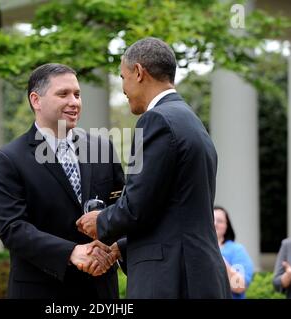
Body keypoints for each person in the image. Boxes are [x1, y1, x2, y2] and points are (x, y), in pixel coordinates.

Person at [76, 37, 231, 298]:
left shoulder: (156, 120)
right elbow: (172, 211)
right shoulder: (190, 120)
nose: (123, 89)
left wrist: (100, 221)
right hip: (197, 274)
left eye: (123, 77)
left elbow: (136, 206)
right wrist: (121, 247)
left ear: (138, 72)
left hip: (172, 279)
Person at [0, 63, 125, 299]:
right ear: (36, 100)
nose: (74, 102)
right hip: (41, 289)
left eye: (77, 94)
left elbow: (124, 207)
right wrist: (71, 252)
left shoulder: (103, 147)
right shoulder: (8, 159)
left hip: (101, 289)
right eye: (63, 94)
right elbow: (12, 228)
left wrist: (115, 248)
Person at [214, 206, 254, 299]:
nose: (214, 223)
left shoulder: (236, 250)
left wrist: (219, 258)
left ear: (227, 226)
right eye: (211, 219)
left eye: (219, 221)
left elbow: (239, 286)